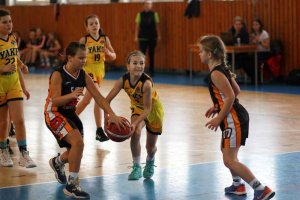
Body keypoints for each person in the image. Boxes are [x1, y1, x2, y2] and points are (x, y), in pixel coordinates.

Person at [44, 42, 126, 198]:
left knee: (76, 150)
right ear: (70, 58)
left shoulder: (83, 75)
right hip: (54, 113)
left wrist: (112, 114)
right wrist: (71, 96)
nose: (84, 61)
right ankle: (72, 185)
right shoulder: (58, 74)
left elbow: (100, 98)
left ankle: (57, 162)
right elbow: (55, 100)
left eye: (85, 58)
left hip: (69, 113)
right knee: (78, 143)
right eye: (80, 58)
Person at [198, 34, 275, 200]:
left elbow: (231, 96)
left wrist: (218, 118)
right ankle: (237, 185)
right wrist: (217, 106)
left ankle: (260, 189)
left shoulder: (215, 74)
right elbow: (236, 91)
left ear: (209, 54)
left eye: (201, 51)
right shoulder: (220, 69)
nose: (199, 54)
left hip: (233, 119)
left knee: (229, 160)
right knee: (227, 153)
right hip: (234, 116)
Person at [106, 50, 164, 180]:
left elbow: (148, 109)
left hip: (154, 111)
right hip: (138, 108)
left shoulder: (146, 83)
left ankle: (150, 160)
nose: (139, 66)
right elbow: (106, 100)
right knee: (136, 132)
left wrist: (134, 123)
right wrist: (108, 116)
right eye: (135, 63)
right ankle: (136, 166)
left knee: (150, 147)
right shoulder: (122, 81)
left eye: (142, 63)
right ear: (127, 66)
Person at [0, 8, 36, 168]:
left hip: (14, 84)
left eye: (10, 21)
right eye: (5, 22)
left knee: (19, 120)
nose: (9, 24)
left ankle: (24, 153)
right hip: (0, 86)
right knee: (3, 122)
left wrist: (22, 66)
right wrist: (2, 69)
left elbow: (15, 59)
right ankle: (3, 151)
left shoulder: (13, 38)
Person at [76, 14, 116, 143]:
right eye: (91, 24)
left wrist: (108, 53)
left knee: (89, 100)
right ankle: (99, 129)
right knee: (97, 97)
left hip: (99, 73)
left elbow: (114, 56)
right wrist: (83, 57)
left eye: (96, 23)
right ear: (87, 28)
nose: (94, 25)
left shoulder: (104, 39)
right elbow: (76, 56)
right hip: (87, 72)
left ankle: (71, 119)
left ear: (99, 25)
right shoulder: (84, 40)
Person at [134, 0, 161, 76]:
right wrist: (136, 36)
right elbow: (137, 26)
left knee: (151, 54)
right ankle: (141, 70)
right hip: (142, 37)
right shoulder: (140, 14)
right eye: (146, 4)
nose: (147, 5)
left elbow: (157, 25)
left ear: (151, 5)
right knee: (142, 55)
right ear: (144, 5)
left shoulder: (154, 14)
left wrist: (159, 35)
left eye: (149, 4)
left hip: (152, 37)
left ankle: (151, 71)